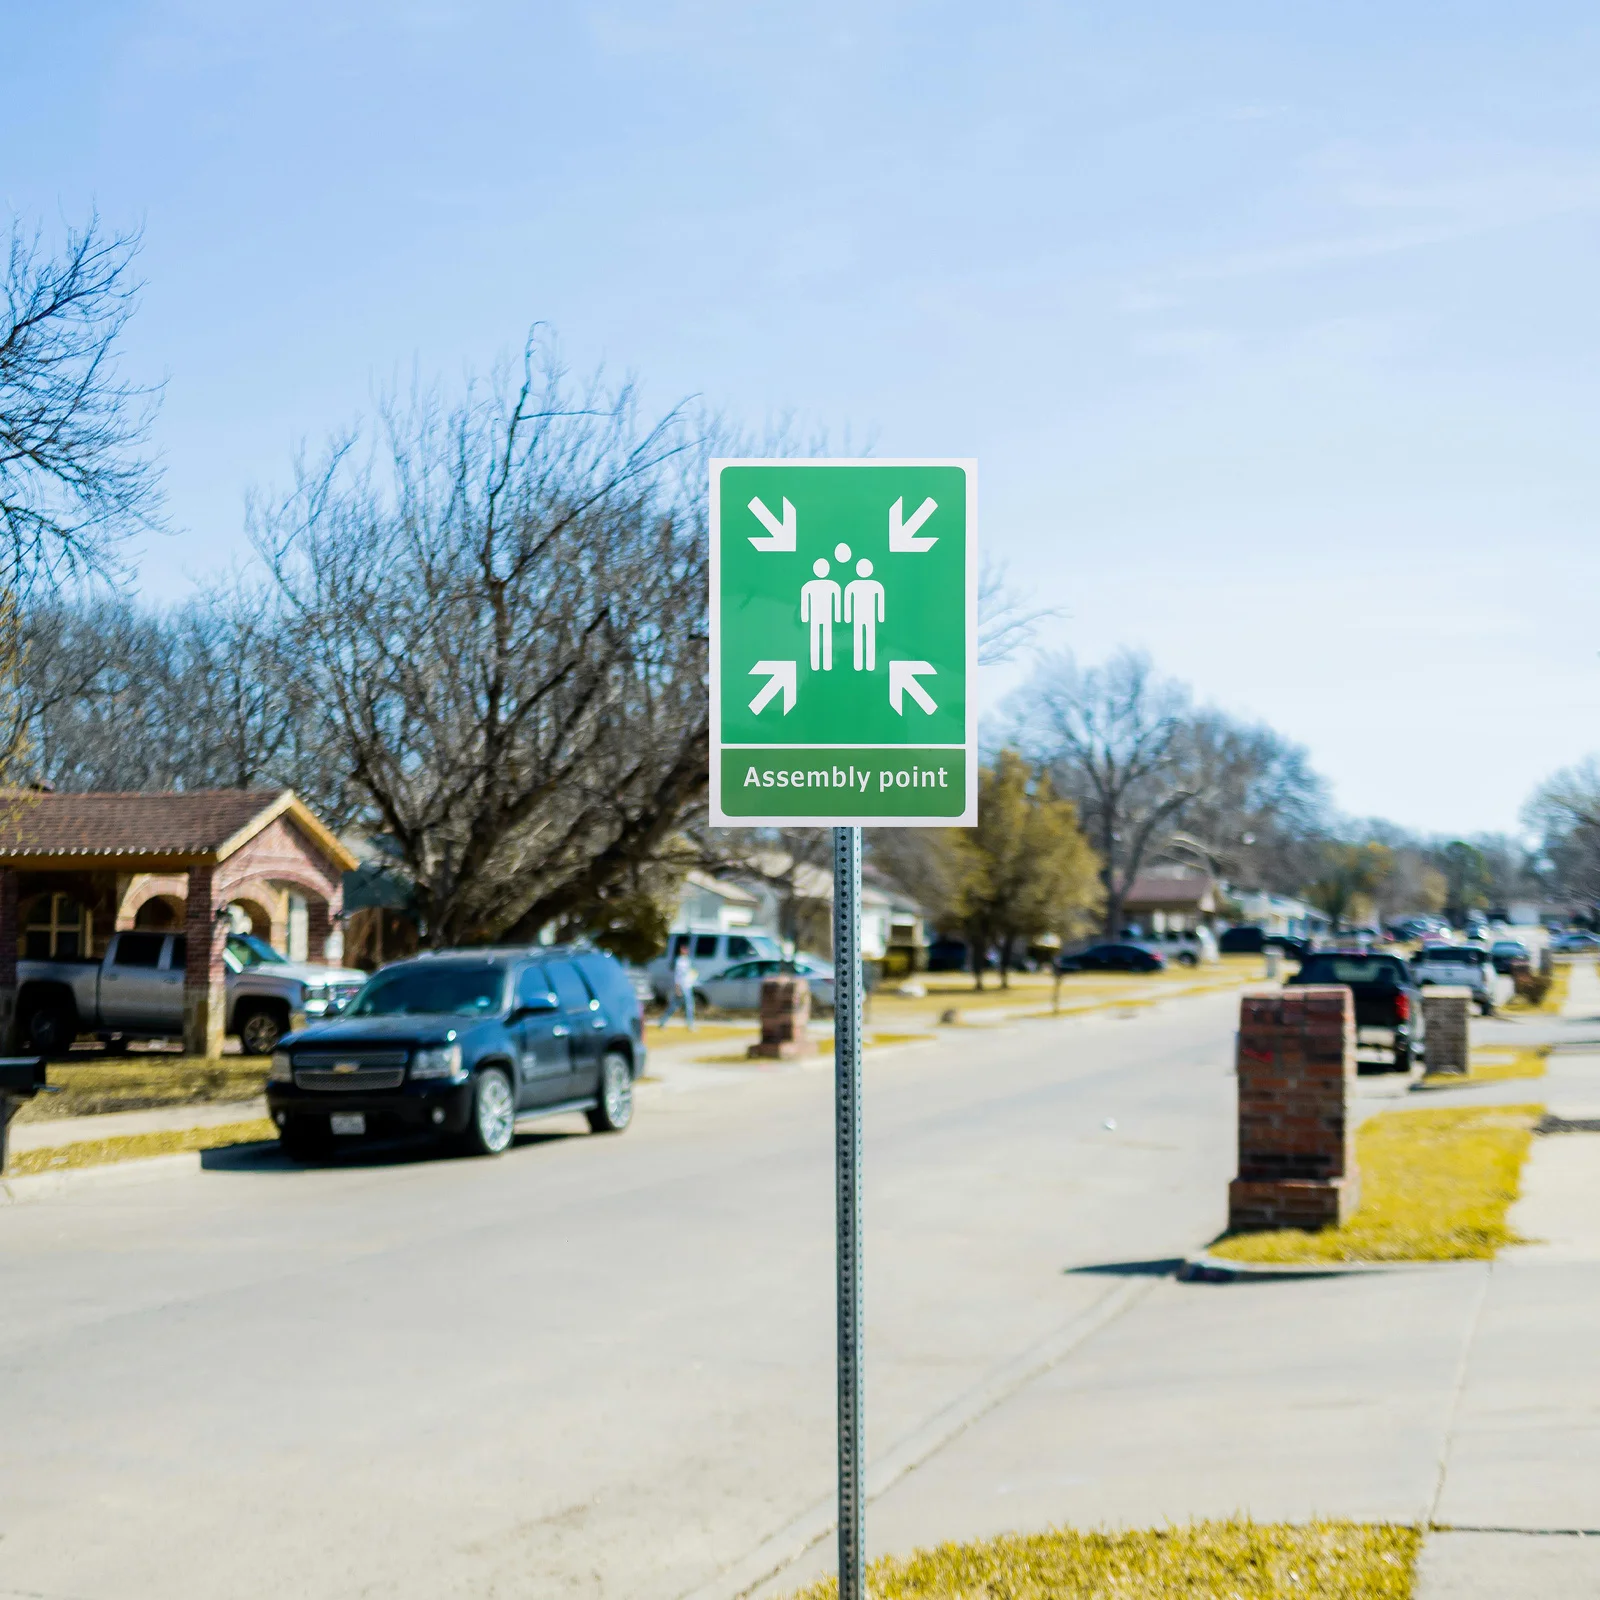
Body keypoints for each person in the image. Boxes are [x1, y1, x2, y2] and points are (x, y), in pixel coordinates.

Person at [843, 557, 885, 672]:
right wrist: (847, 617)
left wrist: (880, 617)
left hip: (870, 617)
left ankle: (869, 663)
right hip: (858, 617)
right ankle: (858, 663)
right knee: (859, 639)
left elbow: (880, 601)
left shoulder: (876, 585)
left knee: (869, 638)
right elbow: (847, 600)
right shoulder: (852, 585)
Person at [660, 947, 698, 1029]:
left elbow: (690, 973)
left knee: (681, 1006)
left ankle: (662, 1022)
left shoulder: (687, 960)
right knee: (686, 1006)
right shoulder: (680, 961)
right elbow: (678, 976)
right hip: (682, 986)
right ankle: (690, 1025)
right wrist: (677, 988)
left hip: (688, 986)